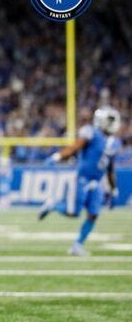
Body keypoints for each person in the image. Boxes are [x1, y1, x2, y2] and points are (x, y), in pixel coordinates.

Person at [38, 106, 122, 256]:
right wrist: (57, 156)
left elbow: (110, 167)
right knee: (73, 213)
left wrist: (114, 189)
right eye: (109, 120)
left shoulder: (115, 143)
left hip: (97, 182)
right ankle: (53, 205)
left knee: (93, 214)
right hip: (82, 179)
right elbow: (75, 146)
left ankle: (77, 245)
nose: (111, 123)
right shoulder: (91, 132)